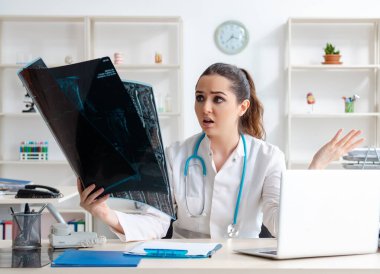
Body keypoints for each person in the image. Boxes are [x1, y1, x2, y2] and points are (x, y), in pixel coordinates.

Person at [77, 63, 364, 241]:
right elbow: (157, 221)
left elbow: (279, 223)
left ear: (242, 107)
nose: (206, 108)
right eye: (200, 98)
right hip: (185, 263)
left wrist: (315, 169)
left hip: (241, 262)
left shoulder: (268, 157)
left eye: (218, 99)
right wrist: (105, 214)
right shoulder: (175, 155)